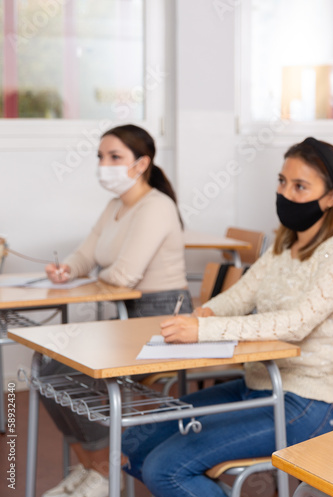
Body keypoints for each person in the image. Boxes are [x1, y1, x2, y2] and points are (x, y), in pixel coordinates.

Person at [121, 137, 333, 497]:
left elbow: (296, 323)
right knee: (137, 440)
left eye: (300, 186)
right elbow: (241, 295)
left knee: (166, 469)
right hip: (258, 383)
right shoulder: (284, 242)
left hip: (308, 402)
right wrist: (205, 312)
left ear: (332, 196)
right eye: (282, 181)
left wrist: (204, 330)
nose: (285, 193)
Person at [40, 124, 193, 497]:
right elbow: (86, 254)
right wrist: (68, 270)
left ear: (142, 163)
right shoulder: (115, 206)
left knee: (70, 374)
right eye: (100, 157)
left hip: (161, 318)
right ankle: (92, 468)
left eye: (114, 157)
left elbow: (124, 275)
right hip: (126, 315)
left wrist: (100, 276)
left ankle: (103, 471)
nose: (103, 165)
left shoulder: (157, 206)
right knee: (46, 372)